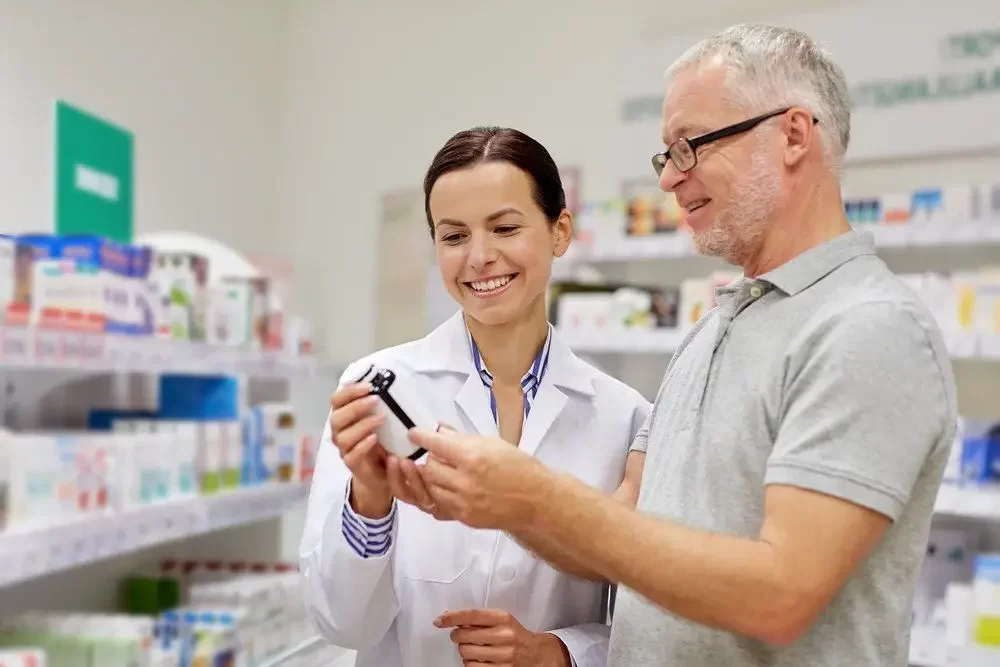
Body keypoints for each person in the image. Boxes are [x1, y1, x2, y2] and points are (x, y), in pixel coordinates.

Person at [405, 24, 958, 667]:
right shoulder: (715, 328)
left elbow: (781, 596)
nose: (669, 178)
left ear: (794, 134)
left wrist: (536, 495)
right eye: (665, 155)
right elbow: (618, 535)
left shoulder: (866, 327)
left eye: (689, 146)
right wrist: (489, 499)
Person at [298, 126, 651, 667]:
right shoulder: (376, 386)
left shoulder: (624, 417)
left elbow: (646, 625)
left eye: (505, 227)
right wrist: (370, 498)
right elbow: (343, 623)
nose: (479, 257)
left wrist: (560, 653)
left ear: (560, 232)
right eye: (454, 236)